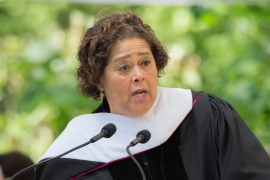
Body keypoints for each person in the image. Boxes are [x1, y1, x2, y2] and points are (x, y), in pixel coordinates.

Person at [35, 11, 270, 180]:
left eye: (145, 62)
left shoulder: (203, 113)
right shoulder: (73, 156)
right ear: (98, 79)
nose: (139, 75)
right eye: (124, 67)